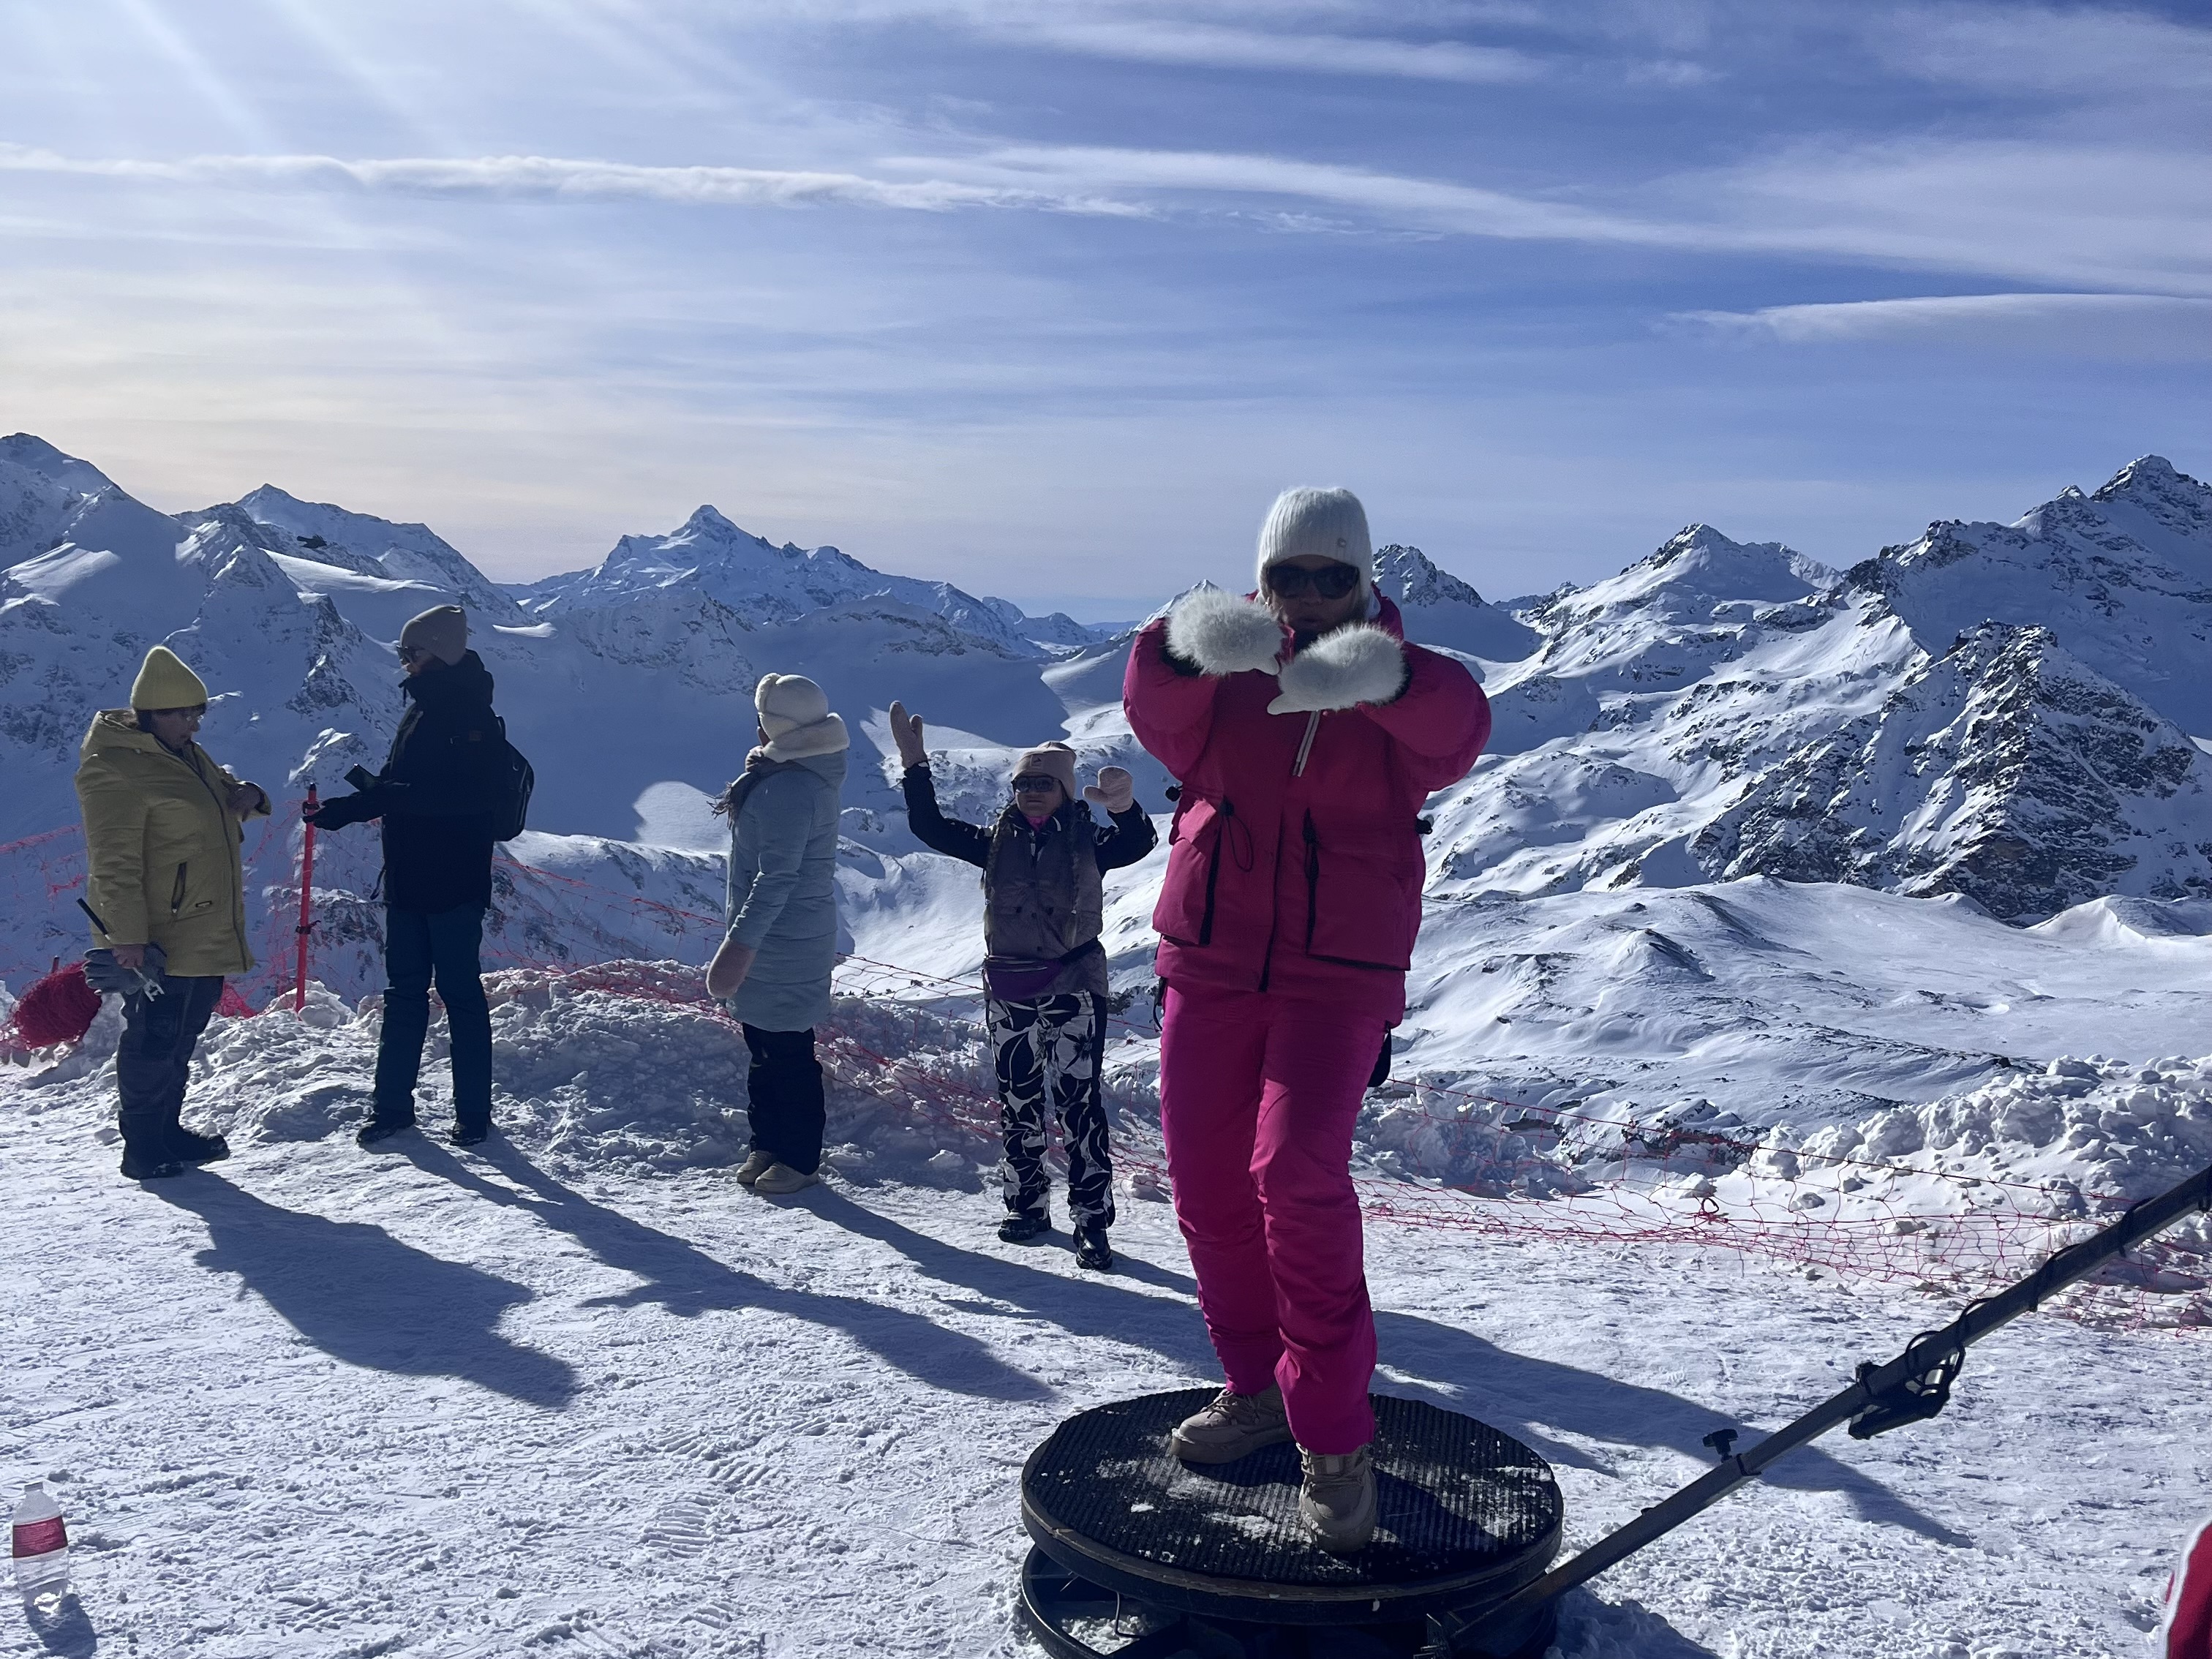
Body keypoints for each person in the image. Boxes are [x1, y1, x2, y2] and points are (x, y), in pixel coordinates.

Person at [1123, 486, 1491, 1553]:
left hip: (1337, 978)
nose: (1316, 596)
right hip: (1212, 964)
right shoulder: (1226, 672)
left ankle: (1332, 1435)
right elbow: (1155, 708)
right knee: (1205, 1187)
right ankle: (1252, 1389)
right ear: (1265, 579)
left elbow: (1457, 730)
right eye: (1293, 575)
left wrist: (1380, 674)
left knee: (1297, 1177)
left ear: (1367, 580)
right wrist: (1188, 639)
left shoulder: (1400, 685)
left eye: (1339, 576)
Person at [887, 709, 1157, 1269]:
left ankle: (1091, 1223)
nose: (1033, 792)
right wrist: (915, 766)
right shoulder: (992, 842)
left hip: (1075, 985)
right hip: (1011, 985)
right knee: (1019, 1101)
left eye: (1044, 783)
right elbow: (929, 827)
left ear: (1063, 790)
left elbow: (1138, 843)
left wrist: (1125, 805)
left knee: (1079, 1105)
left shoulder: (1091, 841)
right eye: (1023, 783)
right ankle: (1027, 1206)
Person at [306, 605, 505, 1149]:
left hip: (453, 879)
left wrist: (383, 802)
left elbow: (468, 799)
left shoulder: (472, 719)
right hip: (414, 876)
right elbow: (401, 785)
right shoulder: (421, 710)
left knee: (455, 992)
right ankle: (392, 1107)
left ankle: (471, 1114)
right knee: (406, 993)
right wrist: (354, 805)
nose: (405, 663)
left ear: (438, 653)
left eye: (411, 653)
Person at [75, 646, 271, 1181]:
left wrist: (250, 796)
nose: (193, 722)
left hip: (203, 929)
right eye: (181, 712)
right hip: (159, 935)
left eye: (197, 712)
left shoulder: (184, 753)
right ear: (149, 713)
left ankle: (167, 1130)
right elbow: (112, 864)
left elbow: (214, 800)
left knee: (181, 1037)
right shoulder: (115, 769)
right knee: (153, 1038)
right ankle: (141, 1144)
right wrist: (126, 938)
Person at [704, 674, 849, 1197]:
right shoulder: (787, 775)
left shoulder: (791, 788)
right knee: (764, 1048)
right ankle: (768, 1142)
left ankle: (800, 1157)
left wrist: (738, 945)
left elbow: (778, 877)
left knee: (788, 1052)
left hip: (781, 942)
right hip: (775, 938)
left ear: (776, 726)